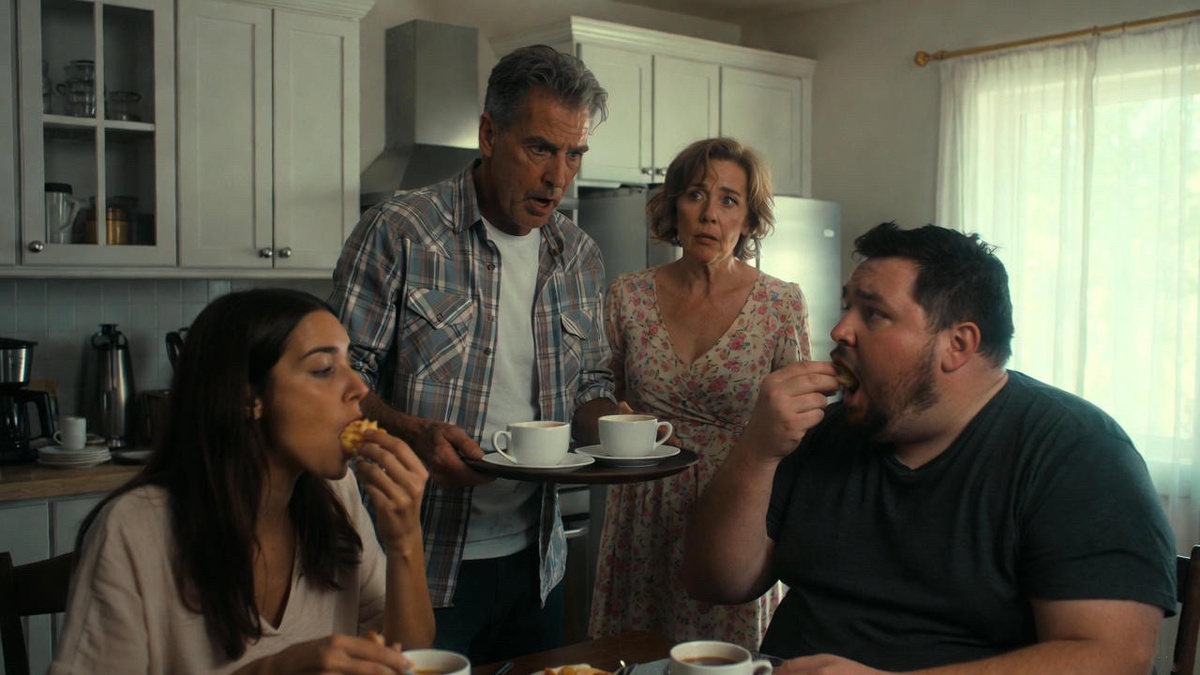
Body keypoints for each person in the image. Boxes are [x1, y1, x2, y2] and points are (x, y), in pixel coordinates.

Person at [683, 222, 1176, 673]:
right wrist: (757, 449)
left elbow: (1115, 656)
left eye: (874, 313)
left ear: (957, 345)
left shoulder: (1079, 454)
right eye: (846, 306)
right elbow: (716, 583)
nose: (840, 330)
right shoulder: (824, 432)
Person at [329, 45, 622, 662]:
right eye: (540, 149)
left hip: (537, 564)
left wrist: (620, 431)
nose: (559, 178)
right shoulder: (401, 232)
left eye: (574, 154)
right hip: (413, 561)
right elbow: (336, 386)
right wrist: (413, 433)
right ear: (490, 134)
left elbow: (590, 383)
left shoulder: (580, 256)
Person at [50, 288, 435, 674]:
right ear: (247, 395)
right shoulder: (135, 528)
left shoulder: (337, 496)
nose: (360, 388)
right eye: (323, 369)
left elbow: (403, 658)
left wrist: (405, 541)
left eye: (349, 363)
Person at [588, 137, 811, 647]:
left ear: (749, 219)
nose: (709, 214)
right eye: (695, 195)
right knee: (632, 654)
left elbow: (798, 422)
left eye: (728, 200)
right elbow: (601, 394)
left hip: (735, 509)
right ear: (674, 207)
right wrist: (613, 419)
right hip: (642, 507)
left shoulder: (780, 303)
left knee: (722, 661)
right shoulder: (628, 295)